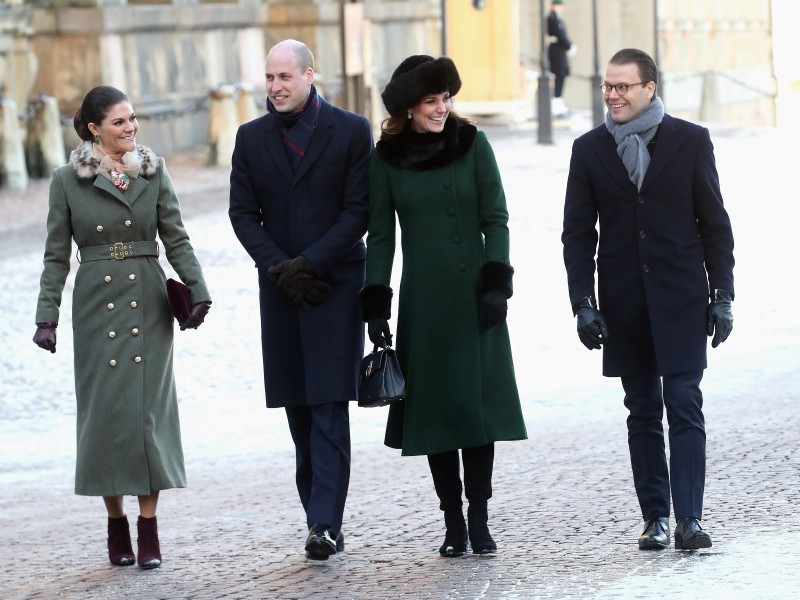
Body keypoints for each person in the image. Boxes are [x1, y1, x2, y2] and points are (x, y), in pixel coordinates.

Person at [561, 48, 735, 551]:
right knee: (641, 410)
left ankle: (690, 520)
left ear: (649, 88)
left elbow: (715, 226)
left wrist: (721, 295)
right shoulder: (589, 149)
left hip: (682, 297)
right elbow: (577, 235)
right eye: (607, 88)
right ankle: (655, 517)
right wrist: (583, 302)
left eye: (623, 87)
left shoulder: (690, 142)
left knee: (684, 404)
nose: (612, 95)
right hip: (624, 303)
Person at [33, 85, 212, 569]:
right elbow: (55, 256)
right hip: (94, 305)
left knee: (147, 412)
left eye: (133, 119)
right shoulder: (67, 180)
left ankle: (149, 526)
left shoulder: (154, 172)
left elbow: (176, 237)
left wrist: (198, 290)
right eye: (119, 122)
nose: (131, 128)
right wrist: (45, 316)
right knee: (105, 417)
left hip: (147, 302)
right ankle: (116, 522)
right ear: (94, 128)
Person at [361, 55, 528, 558]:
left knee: (476, 413)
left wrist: (497, 280)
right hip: (424, 305)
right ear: (409, 108)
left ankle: (479, 517)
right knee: (436, 417)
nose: (441, 109)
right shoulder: (387, 157)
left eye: (445, 99)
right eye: (430, 101)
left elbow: (496, 217)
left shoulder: (472, 143)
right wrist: (376, 301)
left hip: (476, 300)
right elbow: (382, 238)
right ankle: (452, 520)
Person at [228, 39, 372, 561]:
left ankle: (324, 524)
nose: (275, 87)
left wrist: (311, 263)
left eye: (285, 77)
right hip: (281, 290)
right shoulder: (250, 138)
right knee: (298, 409)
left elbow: (359, 211)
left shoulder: (352, 131)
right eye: (269, 78)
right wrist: (281, 269)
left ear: (310, 75)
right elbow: (243, 214)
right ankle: (317, 511)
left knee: (329, 404)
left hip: (334, 287)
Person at [547, 0, 576, 117]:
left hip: (560, 51)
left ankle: (558, 101)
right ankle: (556, 102)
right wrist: (569, 45)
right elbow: (560, 34)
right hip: (556, 51)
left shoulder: (557, 18)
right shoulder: (552, 18)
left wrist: (569, 44)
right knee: (559, 75)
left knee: (562, 75)